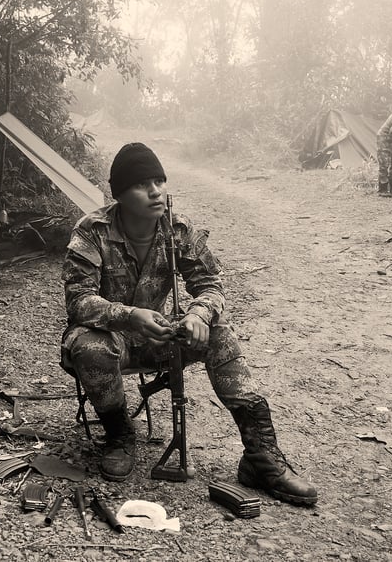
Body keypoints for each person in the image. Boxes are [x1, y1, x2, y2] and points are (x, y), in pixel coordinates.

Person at [60, 142, 318, 507]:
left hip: (157, 336)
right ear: (119, 194)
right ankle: (119, 435)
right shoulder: (92, 231)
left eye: (159, 181)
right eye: (141, 184)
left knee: (219, 334)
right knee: (89, 345)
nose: (155, 192)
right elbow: (78, 301)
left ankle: (261, 456)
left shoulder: (177, 229)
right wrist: (129, 315)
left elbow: (211, 284)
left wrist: (198, 314)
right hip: (107, 336)